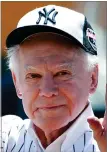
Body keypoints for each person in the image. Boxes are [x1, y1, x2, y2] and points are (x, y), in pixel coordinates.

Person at [1, 5, 106, 152]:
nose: (47, 91)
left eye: (62, 73)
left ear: (93, 78)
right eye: (33, 75)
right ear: (16, 82)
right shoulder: (5, 136)